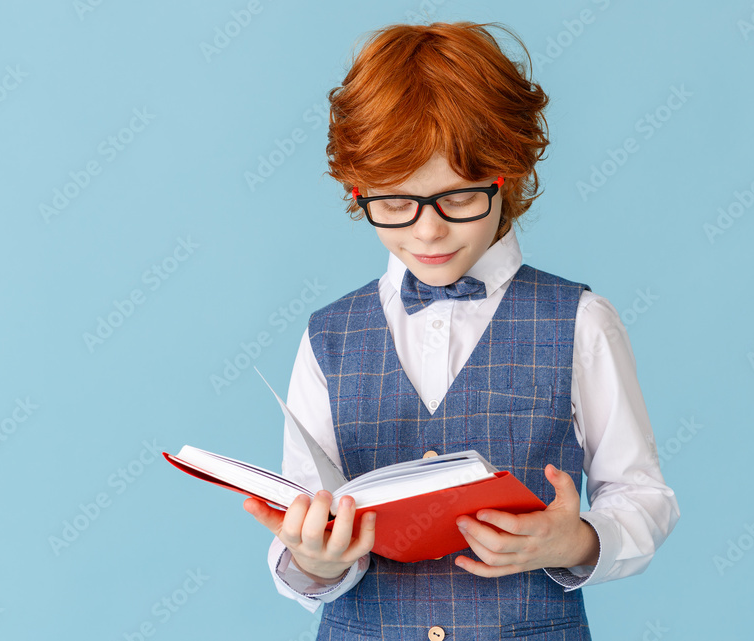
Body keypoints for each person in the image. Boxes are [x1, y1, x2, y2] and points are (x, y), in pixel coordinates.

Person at [243, 21, 679, 640]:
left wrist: (577, 539)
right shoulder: (329, 336)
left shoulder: (580, 322)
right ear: (356, 191)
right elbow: (310, 515)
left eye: (457, 197)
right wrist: (313, 559)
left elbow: (643, 494)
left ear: (510, 171)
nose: (428, 231)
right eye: (395, 203)